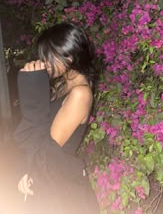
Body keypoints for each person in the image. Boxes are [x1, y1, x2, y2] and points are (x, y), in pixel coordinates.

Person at [12, 22, 100, 214]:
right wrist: (28, 171)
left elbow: (47, 148)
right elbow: (39, 128)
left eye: (49, 56)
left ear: (69, 56)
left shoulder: (80, 94)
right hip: (50, 181)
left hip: (63, 192)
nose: (44, 62)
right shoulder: (62, 85)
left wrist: (32, 89)